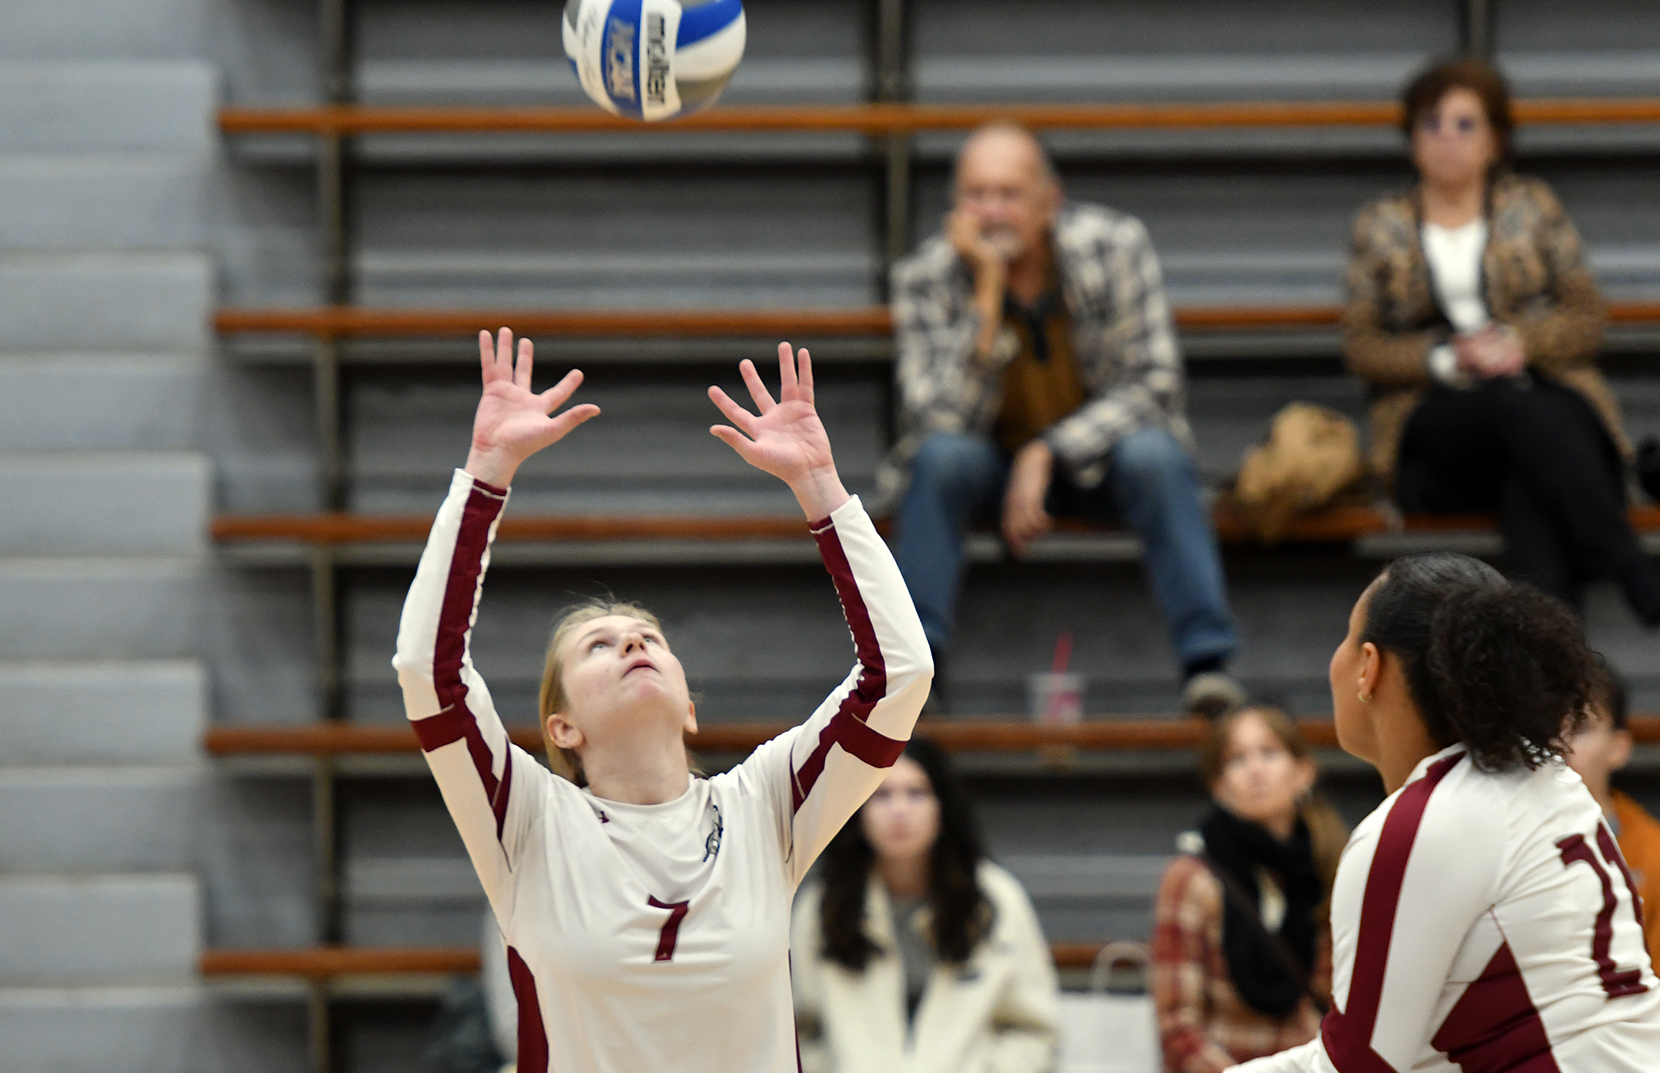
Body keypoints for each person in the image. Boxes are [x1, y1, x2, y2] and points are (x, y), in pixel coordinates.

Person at [394, 329, 933, 1073]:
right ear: (563, 727)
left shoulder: (765, 805)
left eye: (648, 636)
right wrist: (486, 474)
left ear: (689, 709)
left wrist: (821, 491)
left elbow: (899, 677)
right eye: (599, 645)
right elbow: (428, 669)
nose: (633, 645)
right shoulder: (527, 822)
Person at [1232, 553, 1660, 1072]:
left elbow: (1356, 1067)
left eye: (1345, 637)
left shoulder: (1422, 827)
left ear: (1370, 667)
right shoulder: (1549, 777)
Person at [886, 121, 1242, 716]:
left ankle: (1207, 664)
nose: (991, 212)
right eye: (976, 195)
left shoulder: (1115, 245)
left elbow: (1154, 384)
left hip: (1102, 462)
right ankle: (917, 678)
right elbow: (939, 418)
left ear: (1050, 201)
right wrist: (988, 297)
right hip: (990, 467)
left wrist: (1048, 450)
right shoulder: (925, 277)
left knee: (1157, 455)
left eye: (1008, 194)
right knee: (938, 461)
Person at [1343, 58, 1660, 621]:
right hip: (1436, 429)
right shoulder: (1380, 223)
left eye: (1465, 124)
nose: (1447, 139)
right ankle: (1632, 570)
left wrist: (1521, 345)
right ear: (1411, 139)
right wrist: (1443, 358)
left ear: (1496, 140)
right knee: (1521, 415)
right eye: (1432, 124)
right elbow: (1362, 346)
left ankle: (1556, 692)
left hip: (1536, 417)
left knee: (1530, 486)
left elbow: (1587, 316)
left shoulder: (1532, 208)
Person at [791, 736, 1057, 1073]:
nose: (899, 811)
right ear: (857, 810)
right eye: (881, 795)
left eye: (916, 793)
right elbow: (801, 1035)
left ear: (941, 806)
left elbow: (1033, 1030)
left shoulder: (995, 900)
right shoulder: (821, 908)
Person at [1152, 706, 1348, 1072]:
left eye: (1269, 753)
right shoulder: (1191, 877)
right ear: (1219, 785)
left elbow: (1344, 1009)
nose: (1255, 770)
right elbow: (1178, 1027)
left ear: (1304, 771)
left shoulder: (1334, 865)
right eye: (1237, 760)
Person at [1564, 667, 1660, 968]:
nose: (1558, 746)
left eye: (1580, 729)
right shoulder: (1499, 841)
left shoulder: (1652, 854)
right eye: (1543, 728)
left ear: (1618, 747)